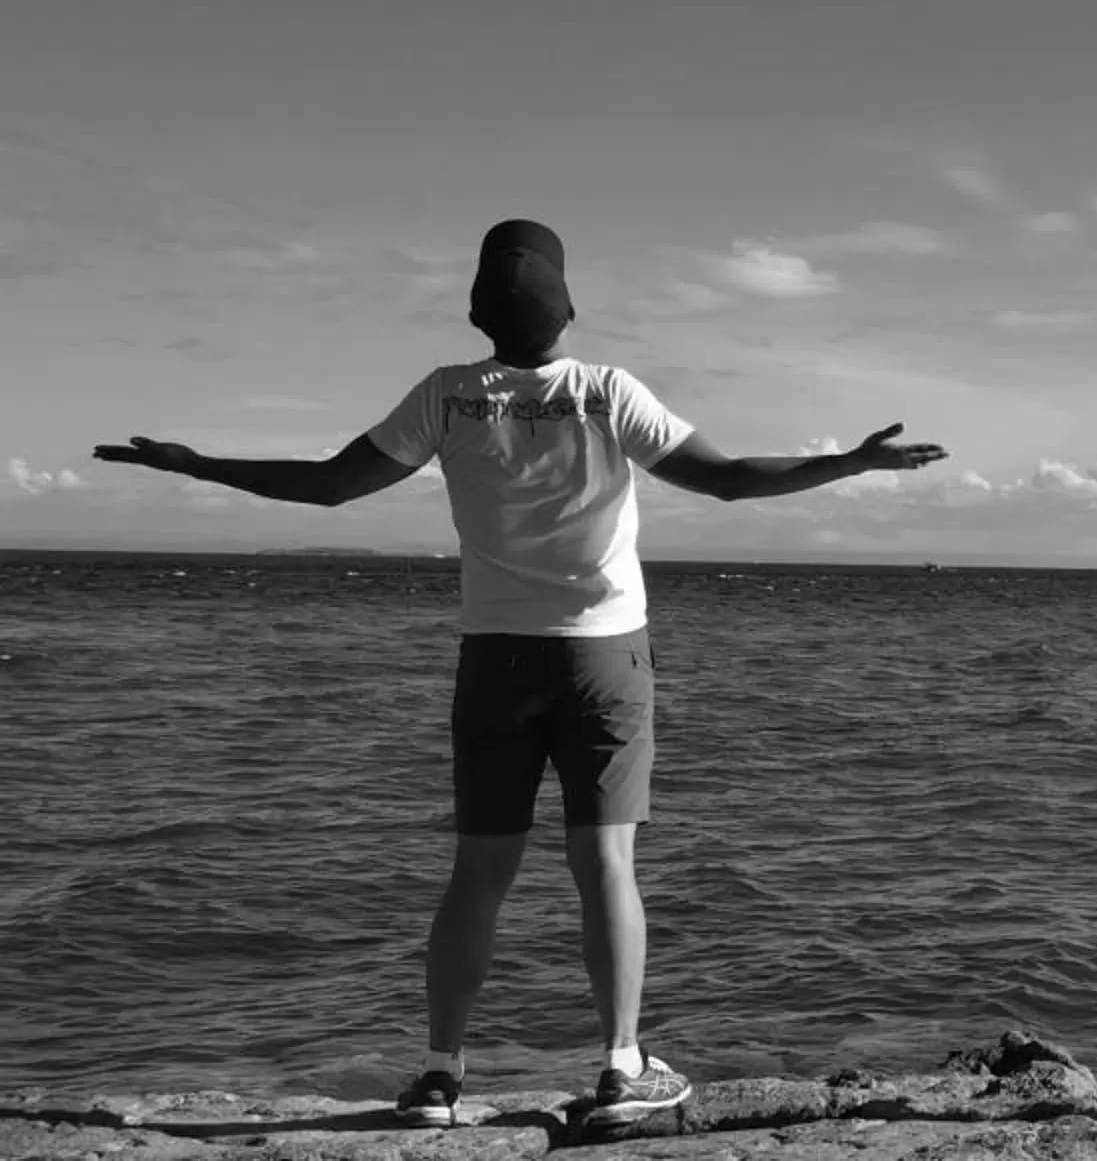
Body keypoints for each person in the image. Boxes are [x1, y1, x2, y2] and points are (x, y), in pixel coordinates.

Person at [92, 220, 947, 1129]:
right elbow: (730, 480)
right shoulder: (605, 391)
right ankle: (621, 1066)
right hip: (602, 656)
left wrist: (197, 466)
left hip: (494, 659)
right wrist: (851, 463)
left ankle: (437, 1077)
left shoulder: (447, 395)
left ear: (476, 315)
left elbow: (331, 486)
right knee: (605, 862)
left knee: (478, 872)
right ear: (569, 307)